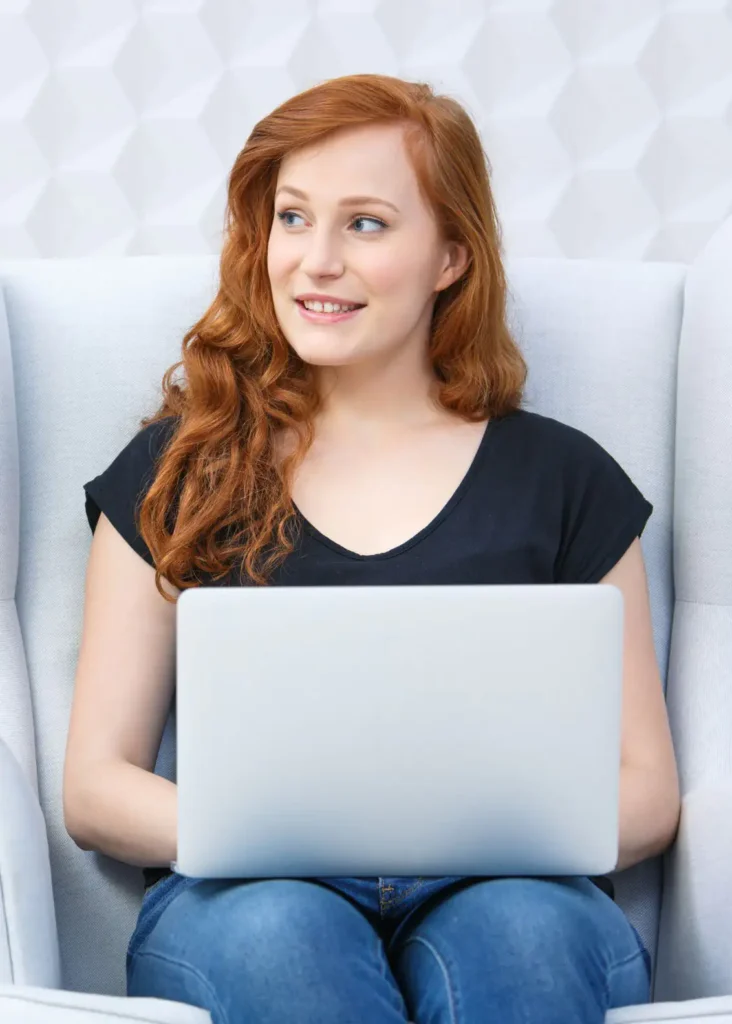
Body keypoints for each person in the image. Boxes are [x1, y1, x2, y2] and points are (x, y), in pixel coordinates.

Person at [63, 73, 680, 1024]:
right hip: (252, 893)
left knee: (523, 936)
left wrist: (458, 838)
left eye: (366, 224)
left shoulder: (564, 478)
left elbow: (646, 794)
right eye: (294, 218)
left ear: (450, 257)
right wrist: (287, 836)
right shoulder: (179, 468)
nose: (314, 261)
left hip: (510, 889)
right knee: (280, 939)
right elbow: (96, 786)